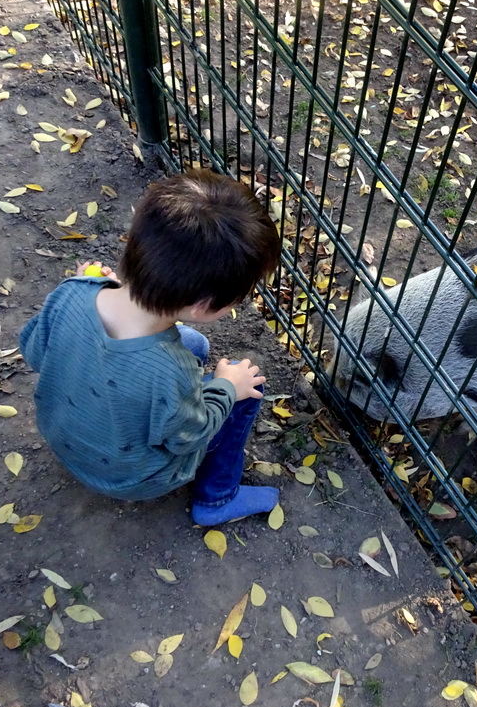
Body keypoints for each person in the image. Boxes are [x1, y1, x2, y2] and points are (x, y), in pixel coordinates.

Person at [19, 169, 281, 526]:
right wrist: (225, 389)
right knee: (246, 388)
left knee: (194, 344)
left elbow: (36, 353)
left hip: (64, 440)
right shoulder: (169, 369)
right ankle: (218, 497)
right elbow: (187, 437)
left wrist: (89, 283)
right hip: (133, 478)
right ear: (204, 306)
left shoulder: (70, 292)